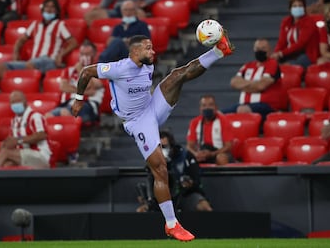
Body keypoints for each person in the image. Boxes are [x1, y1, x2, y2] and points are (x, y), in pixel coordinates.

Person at [71, 32, 235, 241]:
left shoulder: (147, 63)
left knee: (178, 74)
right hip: (137, 121)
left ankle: (219, 50)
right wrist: (78, 100)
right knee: (160, 168)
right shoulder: (118, 68)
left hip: (152, 107)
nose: (153, 51)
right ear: (136, 51)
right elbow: (86, 72)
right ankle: (171, 223)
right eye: (148, 48)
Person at [0, 0, 78, 78]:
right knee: (1, 67)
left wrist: (61, 55)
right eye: (47, 7)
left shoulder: (59, 25)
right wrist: (16, 52)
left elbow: (73, 42)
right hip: (33, 61)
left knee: (30, 64)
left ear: (56, 11)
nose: (49, 9)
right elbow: (21, 40)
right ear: (43, 9)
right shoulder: (35, 24)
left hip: (49, 60)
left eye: (52, 7)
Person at [136, 130, 212, 213]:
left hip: (184, 194)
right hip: (161, 197)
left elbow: (196, 179)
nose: (162, 150)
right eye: (159, 147)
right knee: (141, 211)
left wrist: (189, 184)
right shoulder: (152, 160)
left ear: (171, 146)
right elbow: (150, 182)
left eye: (164, 147)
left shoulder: (185, 156)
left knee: (204, 207)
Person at [222, 38, 285, 120]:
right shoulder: (248, 66)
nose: (260, 51)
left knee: (242, 110)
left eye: (263, 48)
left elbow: (260, 86)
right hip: (243, 104)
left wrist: (244, 86)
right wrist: (254, 84)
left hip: (266, 106)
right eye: (257, 49)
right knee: (218, 115)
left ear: (270, 50)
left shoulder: (272, 64)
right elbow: (234, 82)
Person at [46, 41, 105, 125]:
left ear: (95, 55)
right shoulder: (70, 70)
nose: (84, 57)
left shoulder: (101, 70)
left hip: (88, 106)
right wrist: (84, 92)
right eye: (82, 54)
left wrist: (81, 70)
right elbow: (63, 87)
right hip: (67, 103)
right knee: (48, 117)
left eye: (87, 54)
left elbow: (89, 85)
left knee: (65, 113)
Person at [0, 90, 51, 169]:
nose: (16, 104)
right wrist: (5, 144)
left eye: (18, 101)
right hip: (23, 155)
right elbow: (12, 141)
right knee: (8, 164)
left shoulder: (34, 116)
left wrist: (19, 141)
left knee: (5, 153)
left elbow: (42, 134)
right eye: (13, 102)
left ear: (25, 101)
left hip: (39, 155)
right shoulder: (14, 121)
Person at [271, 0, 320, 68]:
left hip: (305, 55)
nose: (297, 8)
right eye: (294, 6)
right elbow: (281, 42)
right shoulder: (286, 21)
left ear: (304, 8)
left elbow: (301, 44)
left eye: (300, 6)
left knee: (287, 67)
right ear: (290, 9)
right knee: (272, 64)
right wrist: (276, 54)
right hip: (288, 53)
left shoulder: (309, 22)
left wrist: (281, 53)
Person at [187, 95, 234, 165]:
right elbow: (189, 146)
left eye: (210, 105)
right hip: (202, 153)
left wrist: (212, 154)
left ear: (216, 107)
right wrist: (196, 154)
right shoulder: (195, 122)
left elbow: (228, 146)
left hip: (219, 152)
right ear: (200, 108)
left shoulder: (224, 121)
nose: (207, 108)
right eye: (204, 105)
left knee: (221, 158)